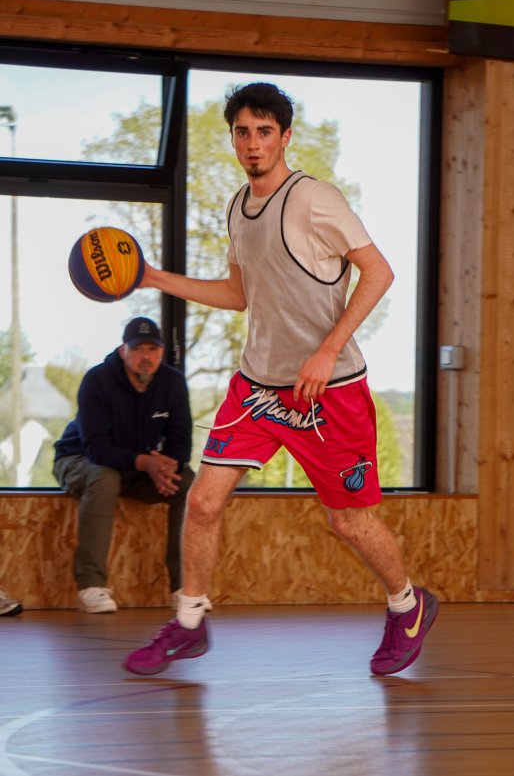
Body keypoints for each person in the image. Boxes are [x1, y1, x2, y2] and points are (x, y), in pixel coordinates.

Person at [123, 82, 438, 676]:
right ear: (233, 138)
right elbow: (237, 294)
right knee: (203, 501)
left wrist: (327, 350)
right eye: (242, 131)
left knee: (348, 520)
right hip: (258, 387)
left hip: (329, 389)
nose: (253, 143)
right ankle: (189, 622)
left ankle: (407, 604)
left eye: (264, 131)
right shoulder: (237, 208)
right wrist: (154, 277)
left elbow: (379, 271)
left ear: (285, 137)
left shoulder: (314, 199)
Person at [53, 316, 195, 613]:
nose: (146, 356)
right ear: (123, 351)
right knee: (105, 477)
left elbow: (181, 441)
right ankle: (90, 586)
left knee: (187, 481)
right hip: (79, 459)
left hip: (135, 467)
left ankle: (185, 589)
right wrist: (147, 463)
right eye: (138, 349)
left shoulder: (172, 381)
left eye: (153, 349)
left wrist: (168, 467)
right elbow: (95, 448)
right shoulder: (97, 380)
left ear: (162, 351)